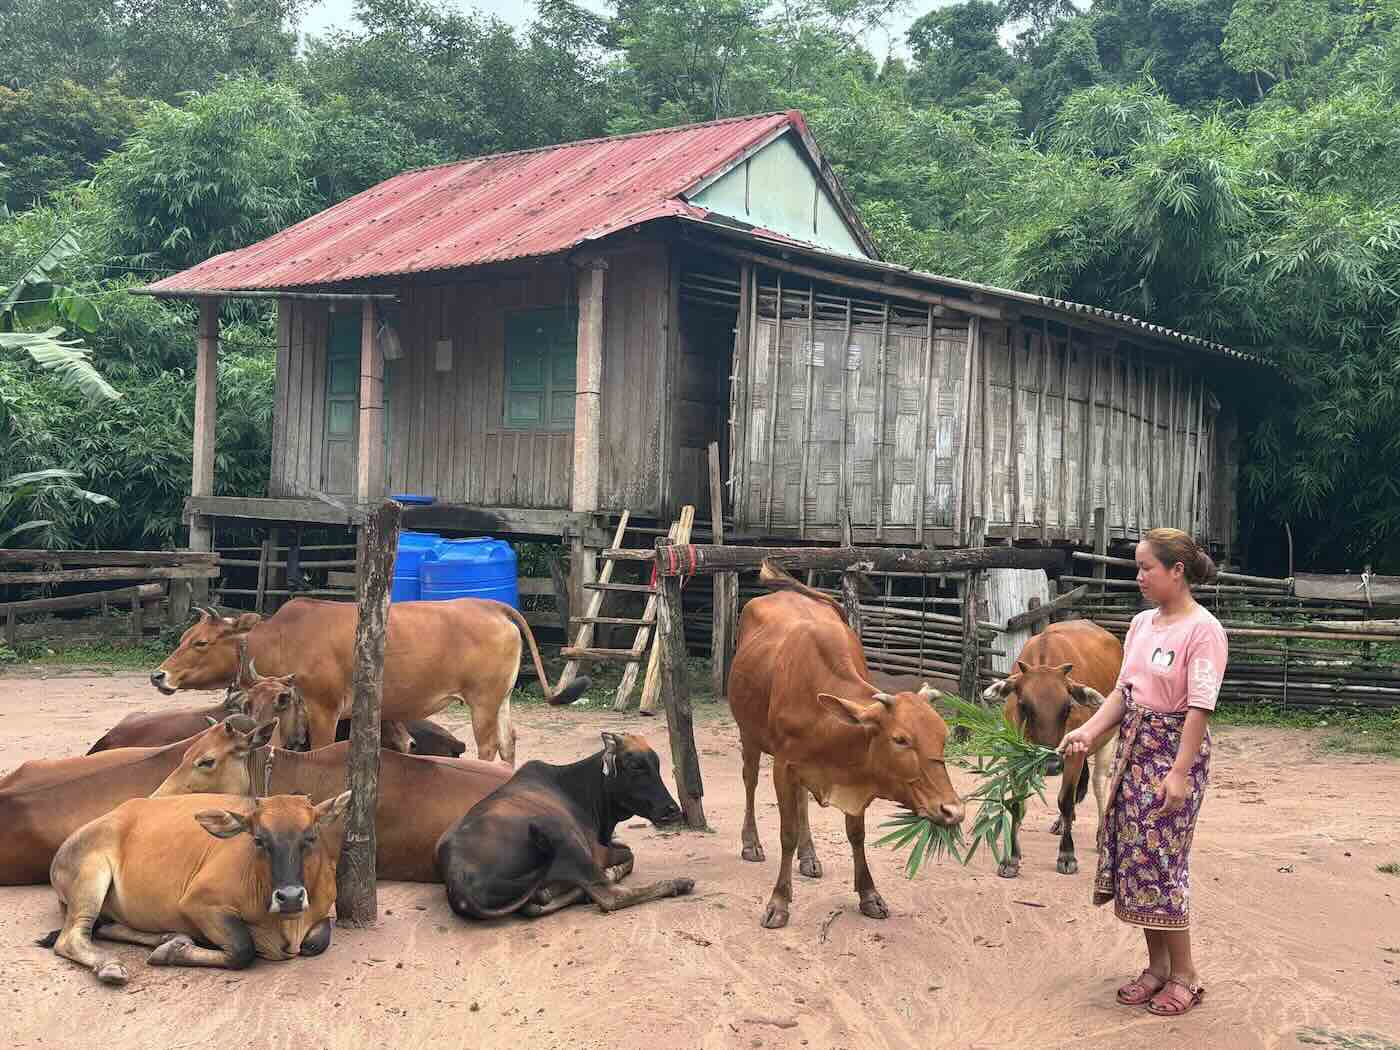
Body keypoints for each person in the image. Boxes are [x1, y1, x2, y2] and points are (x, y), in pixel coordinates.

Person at [1058, 527, 1228, 1018]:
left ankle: (1185, 975)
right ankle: (1157, 968)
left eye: (1147, 568)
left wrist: (1179, 773)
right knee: (1137, 860)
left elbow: (1198, 708)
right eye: (1138, 568)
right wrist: (1088, 731)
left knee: (1163, 862)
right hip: (1134, 752)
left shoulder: (1203, 631)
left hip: (1174, 755)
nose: (1139, 576)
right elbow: (1122, 694)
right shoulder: (1140, 625)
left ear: (1177, 570)